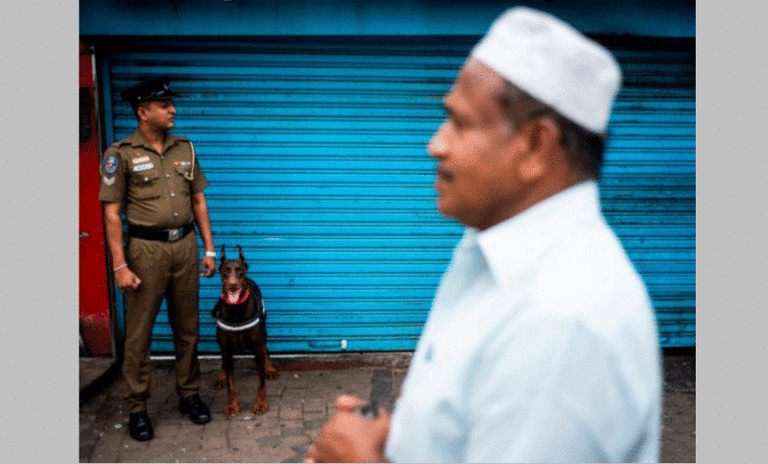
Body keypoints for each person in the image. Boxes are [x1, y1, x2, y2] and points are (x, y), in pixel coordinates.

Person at [306, 6, 662, 463]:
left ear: (534, 146)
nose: (435, 143)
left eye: (459, 122)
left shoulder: (564, 320)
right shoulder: (488, 250)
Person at [99, 75, 217, 442]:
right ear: (142, 111)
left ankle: (189, 395)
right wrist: (120, 266)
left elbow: (198, 200)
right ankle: (137, 408)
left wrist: (209, 248)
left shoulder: (186, 148)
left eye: (172, 104)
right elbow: (112, 214)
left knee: (188, 329)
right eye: (164, 106)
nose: (173, 110)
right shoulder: (119, 154)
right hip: (144, 251)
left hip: (184, 246)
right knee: (139, 334)